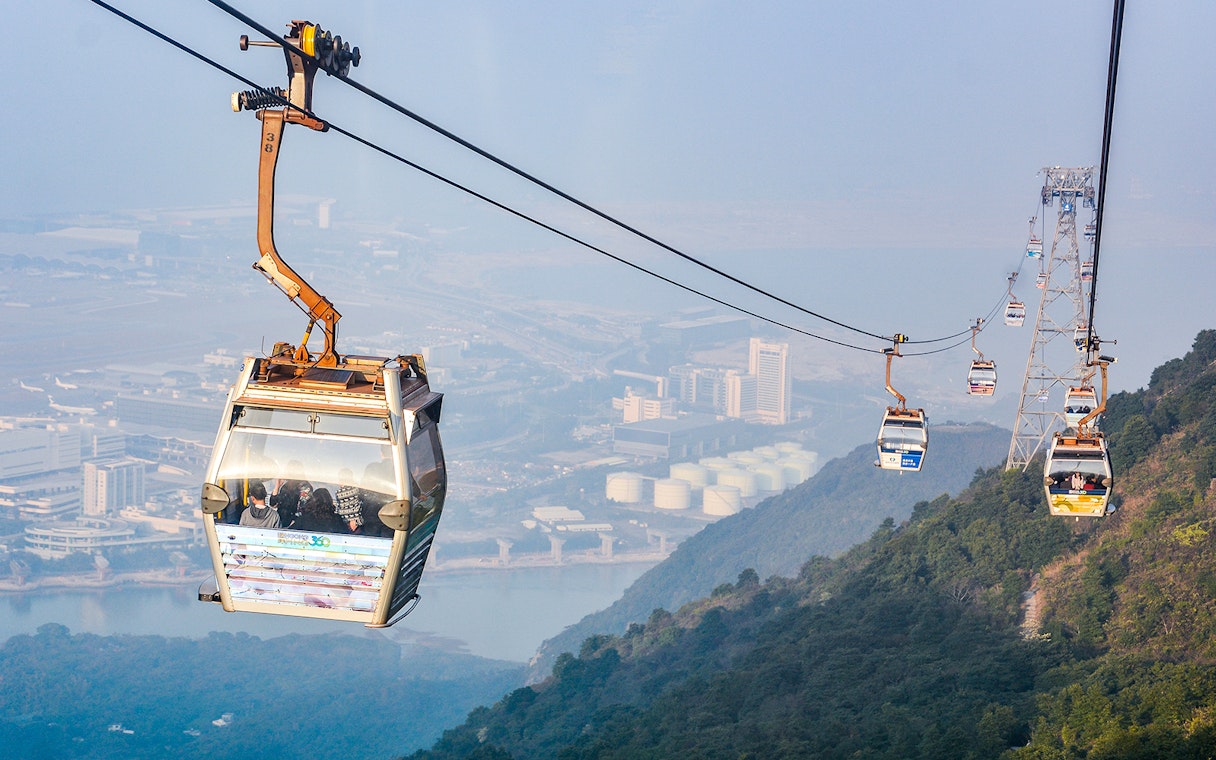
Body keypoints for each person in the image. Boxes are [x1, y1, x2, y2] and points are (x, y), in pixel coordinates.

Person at [334, 468, 364, 534]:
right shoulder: (358, 489)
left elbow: (338, 509)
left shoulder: (339, 493)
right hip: (358, 523)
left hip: (344, 522)